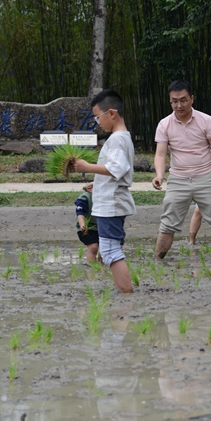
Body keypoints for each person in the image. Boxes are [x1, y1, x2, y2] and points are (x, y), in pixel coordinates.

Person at [152, 80, 211, 259]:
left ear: (192, 99)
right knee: (168, 223)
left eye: (183, 100)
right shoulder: (164, 124)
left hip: (206, 176)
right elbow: (160, 155)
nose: (179, 105)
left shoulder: (205, 120)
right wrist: (159, 175)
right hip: (178, 179)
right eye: (174, 101)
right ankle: (157, 261)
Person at [73, 89, 136, 293]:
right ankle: (124, 291)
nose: (97, 121)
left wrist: (87, 167)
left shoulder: (117, 139)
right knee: (111, 250)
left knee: (110, 252)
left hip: (111, 204)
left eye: (97, 116)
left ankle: (126, 294)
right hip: (111, 200)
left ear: (111, 113)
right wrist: (97, 181)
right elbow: (116, 170)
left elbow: (116, 169)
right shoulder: (121, 137)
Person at [75, 183, 100, 263]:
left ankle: (102, 269)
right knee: (93, 247)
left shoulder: (105, 197)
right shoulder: (85, 197)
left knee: (105, 250)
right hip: (87, 227)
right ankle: (92, 268)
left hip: (102, 227)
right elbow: (80, 211)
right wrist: (82, 223)